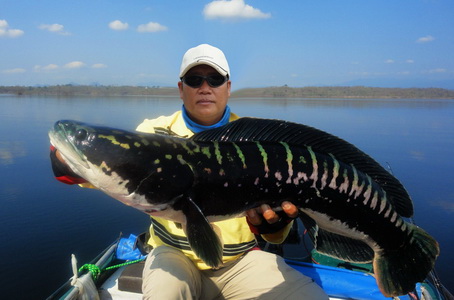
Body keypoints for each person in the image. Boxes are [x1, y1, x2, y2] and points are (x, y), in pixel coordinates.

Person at [50, 44, 328, 300]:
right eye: (195, 80)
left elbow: (275, 237)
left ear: (228, 87)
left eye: (215, 80)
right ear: (181, 88)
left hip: (242, 260)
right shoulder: (153, 133)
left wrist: (276, 227)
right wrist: (63, 161)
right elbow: (92, 176)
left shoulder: (255, 142)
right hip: (173, 256)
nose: (205, 87)